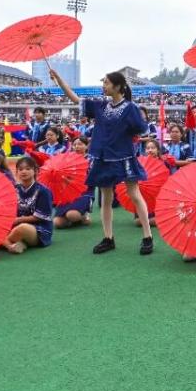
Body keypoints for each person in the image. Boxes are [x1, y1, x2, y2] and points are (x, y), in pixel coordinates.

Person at [49, 67, 154, 255]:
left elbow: (141, 128)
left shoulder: (130, 108)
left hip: (124, 157)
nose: (103, 85)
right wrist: (58, 79)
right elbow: (75, 99)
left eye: (106, 82)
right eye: (103, 82)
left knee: (134, 195)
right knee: (106, 198)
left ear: (118, 86)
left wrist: (130, 132)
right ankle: (108, 238)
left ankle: (147, 237)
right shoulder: (100, 106)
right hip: (102, 157)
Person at [3, 157, 55, 254]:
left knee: (22, 228)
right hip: (14, 224)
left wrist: (18, 220)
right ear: (16, 172)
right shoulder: (13, 189)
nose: (24, 172)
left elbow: (40, 217)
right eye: (20, 169)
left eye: (28, 169)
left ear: (35, 171)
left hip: (37, 229)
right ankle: (13, 245)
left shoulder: (43, 191)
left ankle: (4, 243)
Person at [55, 137, 94, 229]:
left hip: (84, 192)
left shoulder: (91, 160)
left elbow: (90, 179)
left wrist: (69, 180)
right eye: (74, 144)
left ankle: (83, 215)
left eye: (80, 144)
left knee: (72, 215)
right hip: (68, 193)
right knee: (57, 223)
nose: (77, 146)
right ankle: (73, 219)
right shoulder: (67, 159)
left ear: (87, 146)